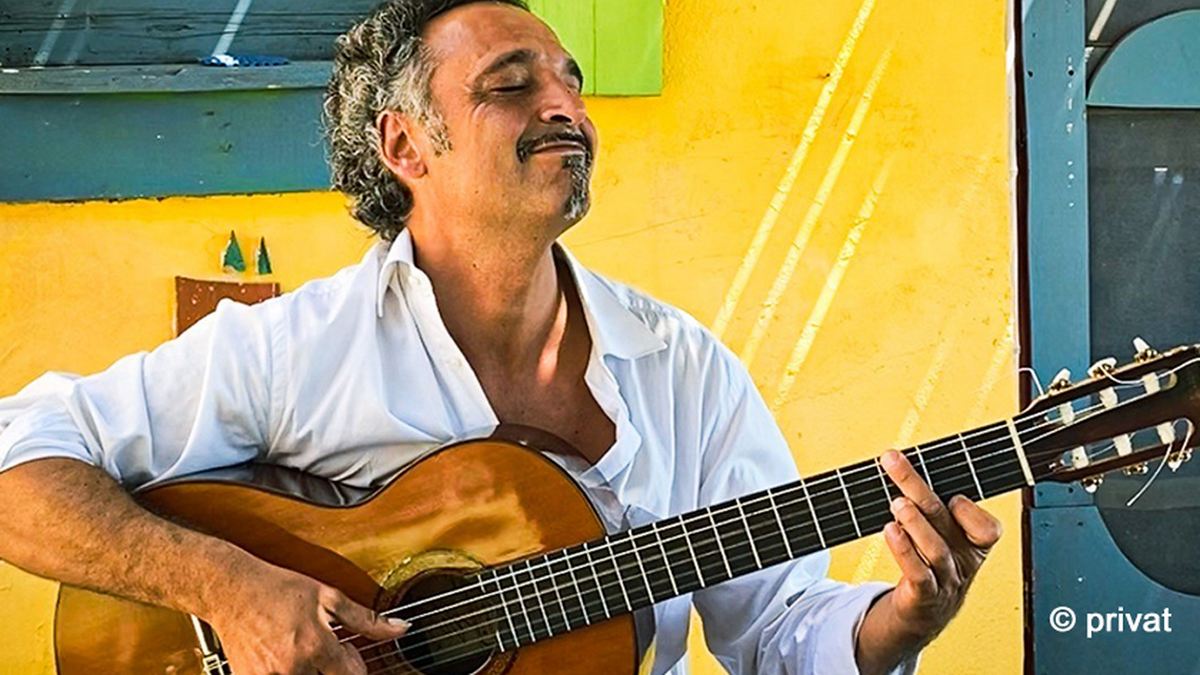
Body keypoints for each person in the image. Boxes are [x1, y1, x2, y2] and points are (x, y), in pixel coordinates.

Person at [0, 1, 1002, 674]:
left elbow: (778, 632)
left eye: (570, 80)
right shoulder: (294, 348)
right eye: (510, 84)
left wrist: (903, 618)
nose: (565, 106)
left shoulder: (682, 369)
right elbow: (16, 470)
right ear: (405, 145)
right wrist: (229, 586)